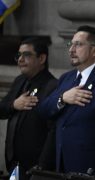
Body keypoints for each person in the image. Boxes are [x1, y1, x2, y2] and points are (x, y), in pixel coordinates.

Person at [39, 25, 95, 175]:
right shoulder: (66, 78)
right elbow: (43, 110)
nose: (71, 50)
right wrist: (63, 98)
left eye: (78, 44)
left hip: (91, 163)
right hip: (61, 161)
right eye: (70, 44)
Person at [0, 37, 58, 179]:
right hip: (13, 164)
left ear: (42, 58)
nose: (20, 59)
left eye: (26, 55)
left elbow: (53, 131)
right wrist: (14, 104)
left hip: (35, 168)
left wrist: (41, 167)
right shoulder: (20, 81)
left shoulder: (51, 86)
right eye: (18, 55)